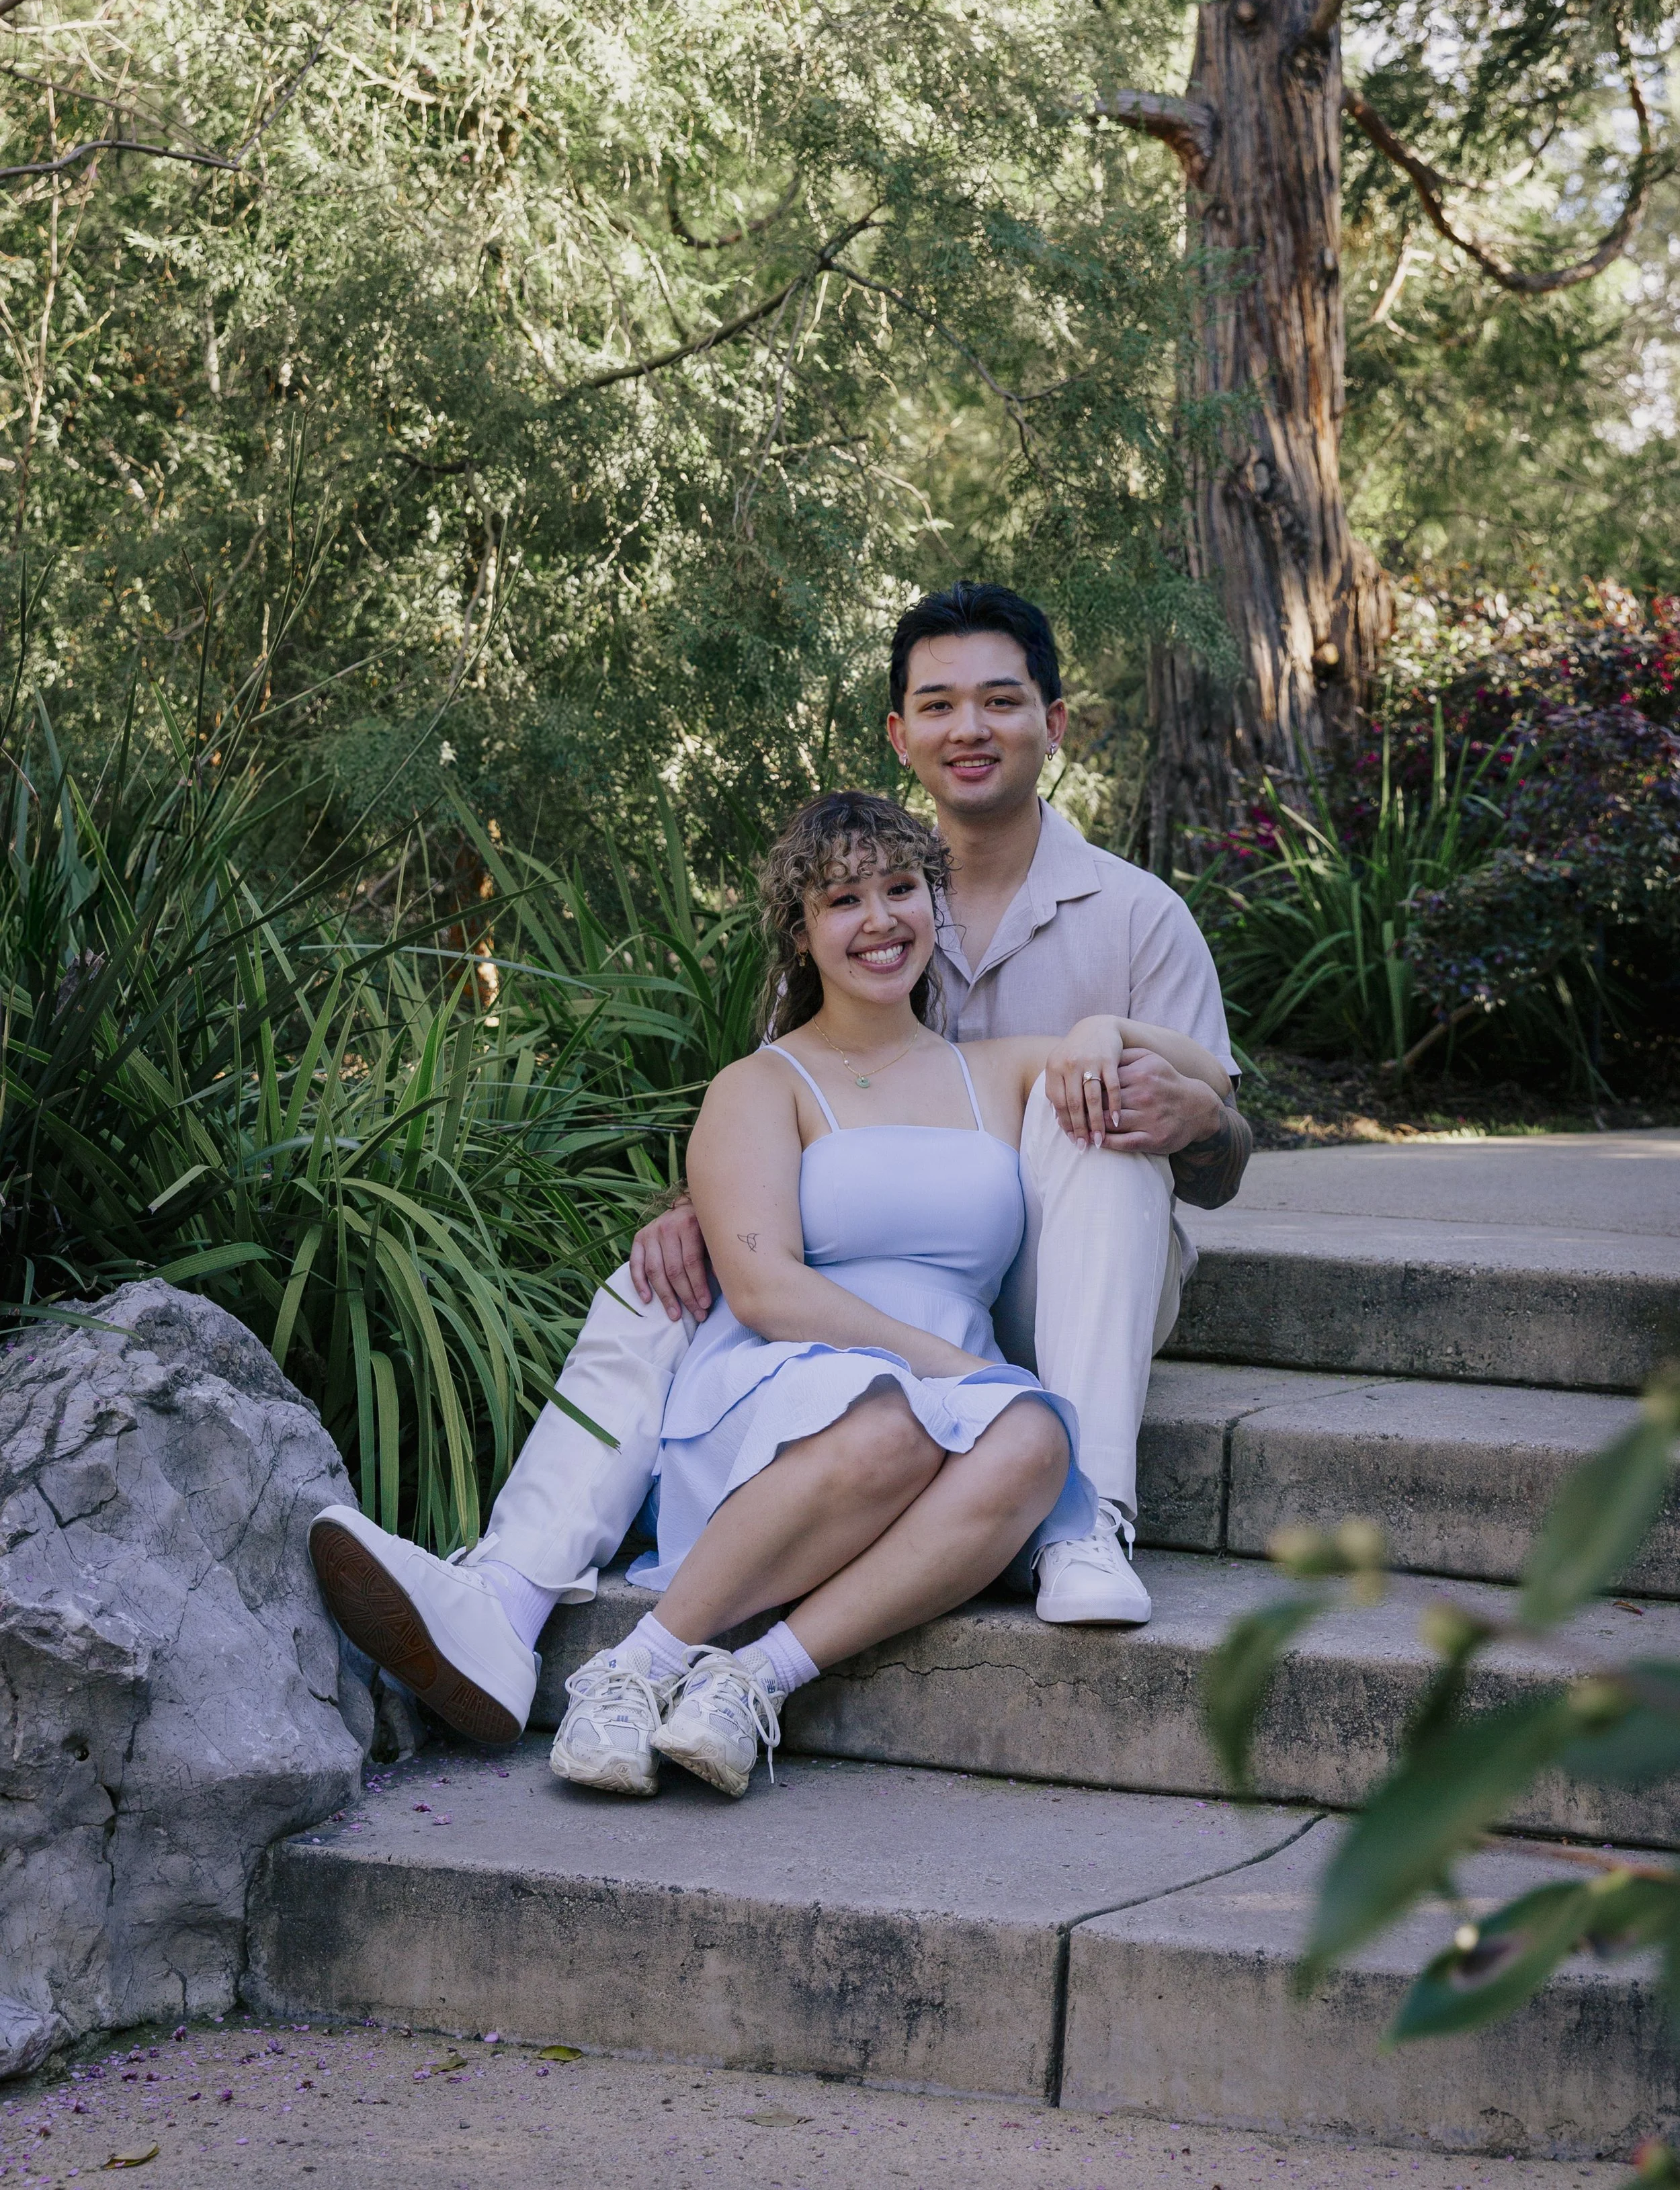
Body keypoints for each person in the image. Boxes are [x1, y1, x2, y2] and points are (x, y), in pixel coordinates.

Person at [308, 583, 1251, 1750]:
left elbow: (1221, 1141)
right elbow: (776, 1112)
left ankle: (1087, 1521)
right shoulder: (884, 889)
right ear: (900, 737)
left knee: (1095, 1137)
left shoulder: (1136, 918)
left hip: (1066, 1283)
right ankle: (504, 1593)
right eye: (939, 703)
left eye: (1000, 701)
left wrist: (1139, 1069)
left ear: (1055, 722)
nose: (971, 727)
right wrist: (699, 1205)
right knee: (677, 1273)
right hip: (861, 1322)